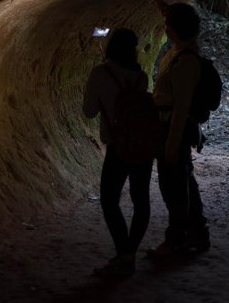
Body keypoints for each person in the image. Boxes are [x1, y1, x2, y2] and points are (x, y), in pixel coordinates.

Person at [82, 28, 152, 276]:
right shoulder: (140, 76)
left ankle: (124, 255)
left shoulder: (101, 74)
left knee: (110, 200)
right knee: (141, 200)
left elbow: (89, 111)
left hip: (118, 146)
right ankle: (129, 252)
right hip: (144, 145)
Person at [148, 2, 211, 257]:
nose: (164, 26)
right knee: (184, 182)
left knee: (173, 186)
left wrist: (172, 143)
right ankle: (196, 235)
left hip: (175, 128)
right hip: (172, 126)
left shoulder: (186, 61)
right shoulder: (181, 50)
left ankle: (178, 240)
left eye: (167, 23)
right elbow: (171, 15)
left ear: (173, 29)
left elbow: (182, 106)